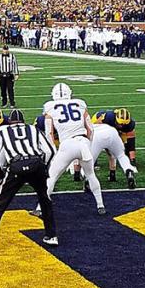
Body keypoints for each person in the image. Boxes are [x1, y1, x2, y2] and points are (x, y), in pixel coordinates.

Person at [0, 109, 57, 253]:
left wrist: (2, 174)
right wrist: (43, 168)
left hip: (16, 167)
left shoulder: (4, 132)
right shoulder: (33, 129)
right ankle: (51, 236)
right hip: (36, 165)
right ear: (23, 121)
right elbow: (50, 151)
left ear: (9, 121)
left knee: (0, 204)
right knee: (45, 200)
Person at [32, 83, 104, 217]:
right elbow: (91, 129)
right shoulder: (80, 104)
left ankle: (39, 208)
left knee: (52, 177)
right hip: (83, 143)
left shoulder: (49, 107)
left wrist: (53, 150)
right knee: (90, 174)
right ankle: (100, 205)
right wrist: (89, 144)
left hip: (67, 145)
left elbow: (49, 133)